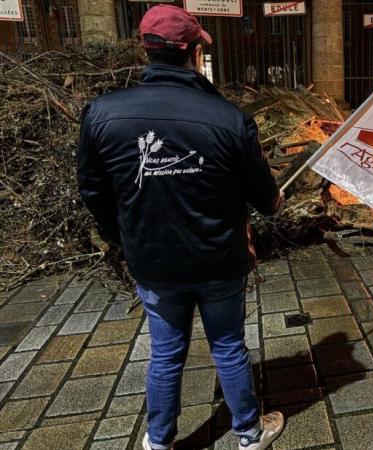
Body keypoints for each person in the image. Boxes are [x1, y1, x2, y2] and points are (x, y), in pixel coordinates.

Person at [76, 5, 285, 450]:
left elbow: (93, 193)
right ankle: (249, 434)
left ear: (144, 49)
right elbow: (264, 198)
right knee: (228, 345)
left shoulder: (102, 114)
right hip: (219, 260)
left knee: (167, 350)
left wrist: (126, 236)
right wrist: (274, 199)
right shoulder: (229, 119)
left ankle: (158, 441)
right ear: (193, 52)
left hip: (152, 261)